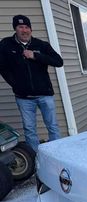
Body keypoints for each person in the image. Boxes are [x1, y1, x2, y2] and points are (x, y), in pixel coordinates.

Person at [0, 15, 64, 152]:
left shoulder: (41, 45)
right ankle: (36, 159)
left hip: (45, 95)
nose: (24, 30)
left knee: (52, 126)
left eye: (27, 27)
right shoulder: (5, 45)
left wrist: (35, 56)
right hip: (23, 97)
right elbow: (2, 67)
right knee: (29, 129)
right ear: (15, 29)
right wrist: (15, 84)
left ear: (31, 29)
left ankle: (58, 155)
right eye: (20, 27)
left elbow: (58, 62)